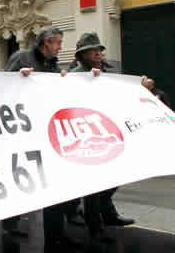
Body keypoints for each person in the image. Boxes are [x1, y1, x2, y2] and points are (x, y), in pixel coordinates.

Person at [4, 27, 83, 250]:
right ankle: (10, 221)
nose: (60, 47)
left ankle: (55, 234)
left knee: (54, 185)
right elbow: (1, 88)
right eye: (57, 42)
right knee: (19, 179)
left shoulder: (54, 65)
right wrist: (19, 79)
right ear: (46, 43)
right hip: (23, 131)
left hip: (47, 131)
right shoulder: (21, 58)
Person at [71, 33, 136, 238]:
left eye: (100, 49)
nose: (98, 52)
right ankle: (95, 224)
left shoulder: (111, 72)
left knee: (117, 174)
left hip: (110, 129)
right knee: (94, 181)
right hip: (88, 132)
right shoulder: (73, 76)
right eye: (93, 50)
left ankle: (105, 213)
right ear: (83, 54)